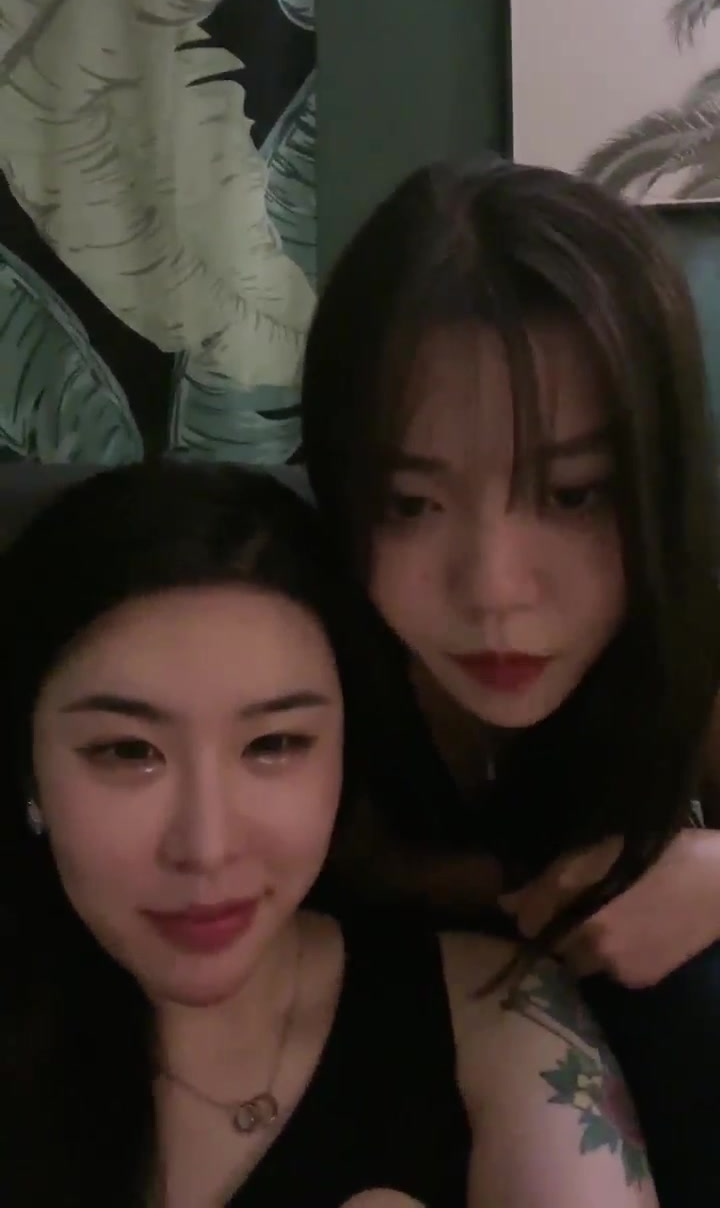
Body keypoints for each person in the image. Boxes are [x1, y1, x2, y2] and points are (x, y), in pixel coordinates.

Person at [0, 461, 656, 1208]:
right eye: (128, 751)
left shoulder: (491, 1013)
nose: (207, 847)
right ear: (27, 769)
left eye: (274, 744)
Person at [301, 159, 720, 1206]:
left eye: (573, 494)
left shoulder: (696, 624)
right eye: (410, 503)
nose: (492, 588)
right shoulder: (287, 646)